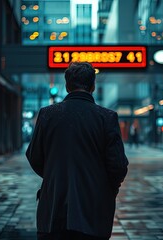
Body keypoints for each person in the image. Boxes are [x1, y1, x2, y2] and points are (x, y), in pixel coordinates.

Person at [26, 62, 129, 240]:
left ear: (67, 86)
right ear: (93, 86)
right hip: (93, 210)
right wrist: (106, 188)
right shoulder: (107, 117)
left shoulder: (47, 115)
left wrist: (55, 175)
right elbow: (118, 166)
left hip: (53, 209)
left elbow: (34, 156)